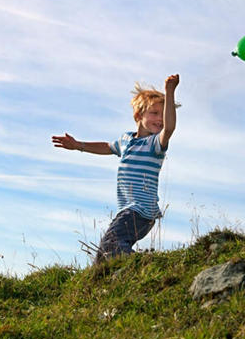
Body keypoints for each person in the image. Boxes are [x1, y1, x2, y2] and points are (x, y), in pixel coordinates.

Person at [52, 74, 180, 263]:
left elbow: (169, 128)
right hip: (128, 211)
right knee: (104, 255)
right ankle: (123, 276)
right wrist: (78, 145)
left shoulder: (155, 144)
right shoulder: (126, 140)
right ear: (138, 115)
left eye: (162, 114)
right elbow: (107, 147)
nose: (160, 119)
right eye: (154, 113)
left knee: (111, 245)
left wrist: (170, 92)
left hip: (141, 211)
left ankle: (150, 264)